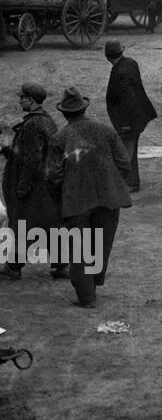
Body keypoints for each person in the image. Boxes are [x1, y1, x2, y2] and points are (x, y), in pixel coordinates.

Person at [45, 88, 132, 309]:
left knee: (80, 249)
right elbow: (125, 163)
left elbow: (53, 176)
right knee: (101, 245)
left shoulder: (59, 138)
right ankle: (92, 285)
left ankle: (87, 296)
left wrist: (60, 199)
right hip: (109, 198)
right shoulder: (106, 131)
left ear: (65, 114)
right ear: (84, 108)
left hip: (76, 201)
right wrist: (111, 183)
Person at [1, 84, 62, 281]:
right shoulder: (46, 121)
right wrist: (7, 151)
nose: (20, 101)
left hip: (34, 187)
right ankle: (61, 265)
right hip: (44, 185)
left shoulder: (33, 124)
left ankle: (13, 266)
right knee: (47, 225)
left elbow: (32, 159)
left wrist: (22, 187)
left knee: (23, 225)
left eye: (22, 98)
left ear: (32, 100)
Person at [104, 40, 157, 192]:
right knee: (130, 151)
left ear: (107, 56)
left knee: (126, 153)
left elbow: (129, 100)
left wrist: (127, 124)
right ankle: (132, 183)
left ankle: (127, 184)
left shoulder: (120, 72)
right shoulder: (130, 63)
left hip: (128, 120)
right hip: (138, 116)